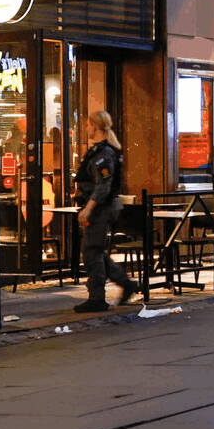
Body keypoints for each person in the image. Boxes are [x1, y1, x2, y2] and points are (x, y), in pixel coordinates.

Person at [70, 111, 140, 312]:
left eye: (87, 124)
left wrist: (87, 210)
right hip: (100, 206)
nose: (86, 128)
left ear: (94, 126)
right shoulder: (101, 150)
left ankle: (97, 297)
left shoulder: (104, 154)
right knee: (95, 251)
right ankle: (126, 283)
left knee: (92, 252)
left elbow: (103, 186)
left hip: (101, 207)